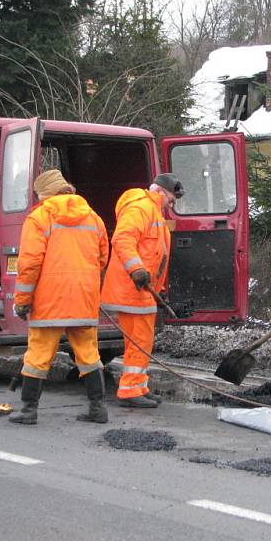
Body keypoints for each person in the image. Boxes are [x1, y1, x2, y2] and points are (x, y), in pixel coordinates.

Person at [10, 169, 110, 425]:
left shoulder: (40, 218)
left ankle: (29, 410)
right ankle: (98, 409)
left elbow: (29, 264)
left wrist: (22, 301)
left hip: (50, 299)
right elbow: (102, 258)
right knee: (88, 353)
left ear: (44, 194)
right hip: (84, 297)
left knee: (39, 354)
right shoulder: (93, 217)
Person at [100, 173, 185, 407]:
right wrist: (136, 270)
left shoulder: (152, 212)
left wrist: (160, 287)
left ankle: (138, 385)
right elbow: (122, 239)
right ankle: (130, 391)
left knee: (142, 340)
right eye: (171, 198)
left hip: (142, 290)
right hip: (133, 289)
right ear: (159, 191)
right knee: (139, 340)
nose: (172, 203)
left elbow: (155, 256)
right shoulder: (141, 209)